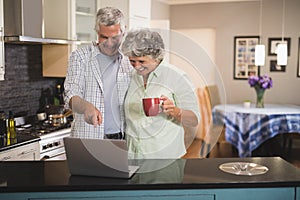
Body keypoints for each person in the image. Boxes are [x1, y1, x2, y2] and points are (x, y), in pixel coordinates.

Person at [121, 28, 200, 159]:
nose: (136, 66)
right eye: (132, 61)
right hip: (132, 156)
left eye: (142, 61)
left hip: (164, 157)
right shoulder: (130, 77)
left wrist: (174, 111)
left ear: (156, 58)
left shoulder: (177, 77)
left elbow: (193, 120)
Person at [64, 7, 132, 139]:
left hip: (123, 138)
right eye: (104, 37)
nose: (109, 43)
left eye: (115, 37)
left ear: (123, 33)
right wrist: (85, 107)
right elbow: (71, 95)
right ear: (97, 32)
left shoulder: (129, 61)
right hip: (89, 137)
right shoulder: (80, 57)